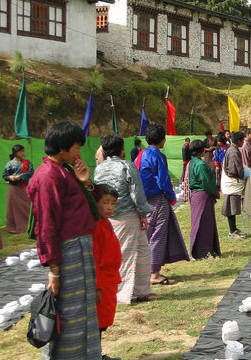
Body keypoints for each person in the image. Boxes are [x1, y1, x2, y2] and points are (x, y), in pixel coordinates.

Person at [28, 120, 101, 358]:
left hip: (80, 249)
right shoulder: (49, 175)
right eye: (77, 148)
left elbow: (86, 205)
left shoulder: (64, 170)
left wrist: (84, 182)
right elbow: (47, 225)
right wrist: (54, 269)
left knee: (83, 309)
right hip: (68, 251)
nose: (79, 153)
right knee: (70, 312)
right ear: (62, 148)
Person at [93, 134, 156, 304]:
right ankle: (120, 293)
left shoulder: (99, 168)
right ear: (122, 149)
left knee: (143, 251)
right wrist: (143, 213)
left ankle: (142, 290)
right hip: (127, 215)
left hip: (109, 216)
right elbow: (136, 192)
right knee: (125, 255)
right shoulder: (127, 166)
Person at [138, 124, 189, 285]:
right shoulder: (157, 156)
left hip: (143, 199)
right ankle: (154, 274)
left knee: (147, 234)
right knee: (157, 236)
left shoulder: (141, 154)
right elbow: (163, 180)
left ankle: (143, 270)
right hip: (157, 198)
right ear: (162, 140)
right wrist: (171, 197)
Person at [92, 185, 121, 360]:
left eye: (113, 203)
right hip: (101, 282)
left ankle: (97, 353)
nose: (110, 207)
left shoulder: (105, 223)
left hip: (109, 281)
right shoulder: (95, 227)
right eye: (105, 202)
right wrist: (97, 286)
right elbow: (94, 258)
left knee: (103, 322)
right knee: (97, 322)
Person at [186, 139, 221, 258]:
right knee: (204, 224)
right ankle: (203, 251)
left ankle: (201, 250)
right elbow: (207, 182)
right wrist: (215, 192)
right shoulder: (200, 164)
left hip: (196, 195)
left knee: (199, 223)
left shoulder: (192, 162)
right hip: (202, 195)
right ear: (202, 151)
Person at [3, 144, 35, 234]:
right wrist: (10, 177)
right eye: (21, 151)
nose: (22, 153)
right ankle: (14, 227)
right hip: (13, 189)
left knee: (28, 206)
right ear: (15, 152)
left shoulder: (27, 162)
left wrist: (19, 177)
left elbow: (31, 172)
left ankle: (29, 225)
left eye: (23, 151)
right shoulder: (9, 164)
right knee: (13, 208)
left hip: (24, 187)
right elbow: (5, 176)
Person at [221, 131, 248, 237]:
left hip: (233, 182)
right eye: (243, 140)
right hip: (232, 182)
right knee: (231, 207)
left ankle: (234, 228)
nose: (243, 142)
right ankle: (232, 231)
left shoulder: (234, 149)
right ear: (238, 141)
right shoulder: (233, 151)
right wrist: (243, 174)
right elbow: (233, 169)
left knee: (233, 206)